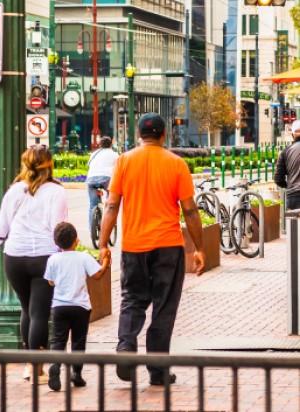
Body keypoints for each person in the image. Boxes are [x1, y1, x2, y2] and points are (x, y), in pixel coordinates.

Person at [98, 113, 205, 386]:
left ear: (138, 134)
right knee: (164, 306)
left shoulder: (124, 161)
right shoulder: (176, 164)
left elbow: (111, 205)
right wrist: (199, 248)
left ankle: (125, 348)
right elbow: (190, 210)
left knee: (132, 299)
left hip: (134, 246)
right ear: (164, 135)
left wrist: (103, 244)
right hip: (168, 246)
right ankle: (157, 371)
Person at [0, 145, 68, 384]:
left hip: (14, 258)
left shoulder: (15, 190)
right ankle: (36, 367)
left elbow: (2, 225)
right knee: (39, 313)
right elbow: (58, 228)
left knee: (26, 309)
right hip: (45, 258)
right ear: (50, 165)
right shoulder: (56, 192)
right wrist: (64, 257)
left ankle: (29, 366)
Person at [44, 222, 110, 391]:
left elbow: (51, 281)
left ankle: (55, 365)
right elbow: (97, 275)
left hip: (59, 306)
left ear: (56, 243)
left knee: (58, 340)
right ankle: (76, 374)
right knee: (78, 341)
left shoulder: (53, 259)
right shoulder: (83, 257)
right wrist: (105, 262)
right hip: (80, 306)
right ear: (76, 240)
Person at [85, 136, 119, 231]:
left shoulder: (94, 154)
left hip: (91, 179)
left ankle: (92, 228)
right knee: (110, 202)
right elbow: (118, 168)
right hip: (106, 179)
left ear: (100, 145)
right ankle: (108, 216)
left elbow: (89, 165)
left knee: (92, 205)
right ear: (111, 145)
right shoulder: (114, 154)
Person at [274, 119, 300, 210]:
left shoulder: (285, 152)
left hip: (294, 196)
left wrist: (289, 186)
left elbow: (278, 179)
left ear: (293, 135)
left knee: (294, 223)